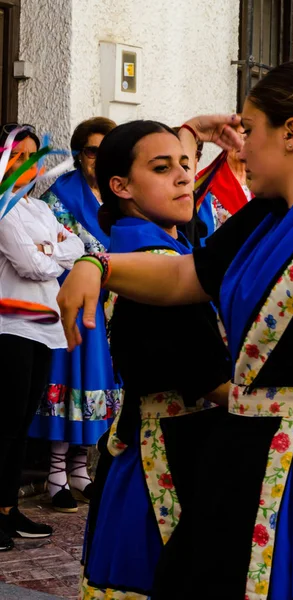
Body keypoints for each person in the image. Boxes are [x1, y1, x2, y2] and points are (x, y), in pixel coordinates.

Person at [57, 57, 293, 599]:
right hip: (242, 454)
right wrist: (98, 264)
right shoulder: (262, 217)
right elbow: (181, 277)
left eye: (249, 129)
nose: (238, 147)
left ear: (289, 134)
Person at [78, 120, 231, 599]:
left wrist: (193, 130)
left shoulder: (137, 243)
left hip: (148, 447)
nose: (185, 176)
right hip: (170, 458)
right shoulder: (153, 260)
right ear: (120, 186)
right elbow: (202, 374)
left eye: (187, 165)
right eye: (163, 169)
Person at [29, 117, 122, 513]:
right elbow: (61, 252)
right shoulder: (60, 197)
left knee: (98, 385)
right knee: (68, 380)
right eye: (90, 152)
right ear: (78, 154)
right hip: (73, 305)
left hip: (116, 306)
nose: (97, 160)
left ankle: (82, 471)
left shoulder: (121, 196)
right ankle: (55, 476)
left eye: (105, 152)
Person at [0, 124, 84, 552]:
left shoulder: (39, 210)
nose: (26, 166)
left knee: (19, 427)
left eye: (33, 157)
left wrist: (48, 249)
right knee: (4, 426)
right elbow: (30, 265)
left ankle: (7, 509)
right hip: (10, 328)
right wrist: (52, 251)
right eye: (17, 156)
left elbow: (79, 248)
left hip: (44, 330)